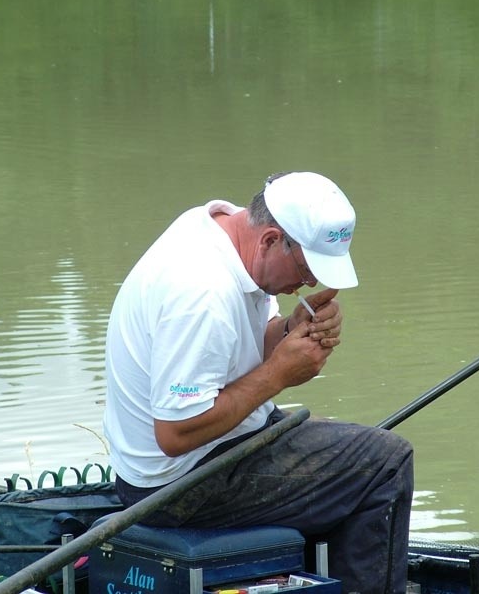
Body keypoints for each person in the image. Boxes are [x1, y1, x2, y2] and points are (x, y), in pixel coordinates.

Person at [103, 171, 414, 594]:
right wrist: (278, 376)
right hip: (174, 485)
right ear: (270, 240)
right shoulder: (201, 292)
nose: (309, 283)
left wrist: (291, 329)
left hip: (212, 447)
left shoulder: (225, 229)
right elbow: (174, 434)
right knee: (384, 463)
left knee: (350, 447)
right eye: (307, 268)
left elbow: (247, 342)